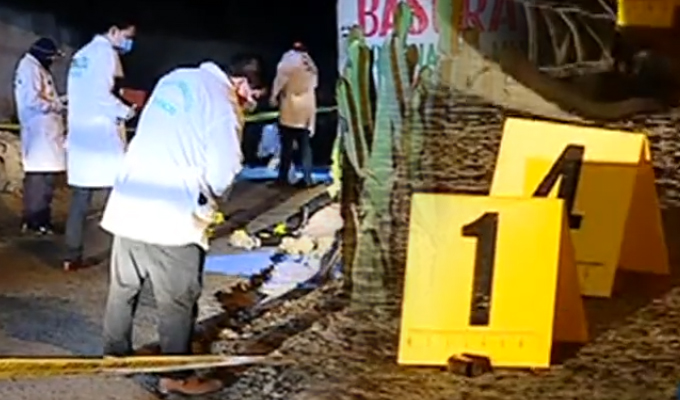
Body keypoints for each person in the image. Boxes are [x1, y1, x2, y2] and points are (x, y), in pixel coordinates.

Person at [99, 60, 257, 396]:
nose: (250, 103)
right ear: (242, 83)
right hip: (172, 212)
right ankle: (176, 376)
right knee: (177, 301)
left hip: (131, 198)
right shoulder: (223, 100)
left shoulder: (175, 78)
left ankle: (115, 355)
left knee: (124, 288)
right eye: (253, 95)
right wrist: (211, 200)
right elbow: (225, 167)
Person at [63, 19, 138, 271]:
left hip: (80, 137)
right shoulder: (105, 53)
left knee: (80, 201)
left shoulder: (81, 55)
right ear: (113, 30)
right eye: (127, 36)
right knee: (117, 197)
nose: (129, 42)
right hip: (100, 138)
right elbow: (102, 95)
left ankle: (71, 255)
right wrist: (126, 111)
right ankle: (122, 255)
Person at [13, 37, 66, 235]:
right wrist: (56, 105)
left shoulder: (37, 68)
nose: (53, 61)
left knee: (46, 182)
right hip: (39, 135)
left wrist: (60, 101)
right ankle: (36, 222)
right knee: (39, 182)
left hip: (46, 135)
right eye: (52, 57)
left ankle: (41, 220)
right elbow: (32, 101)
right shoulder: (29, 68)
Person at [270, 41, 318, 188]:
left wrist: (273, 96)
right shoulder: (310, 64)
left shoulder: (288, 60)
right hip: (307, 106)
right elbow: (315, 84)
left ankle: (282, 178)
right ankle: (308, 177)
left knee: (287, 145)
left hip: (291, 106)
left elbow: (280, 80)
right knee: (305, 145)